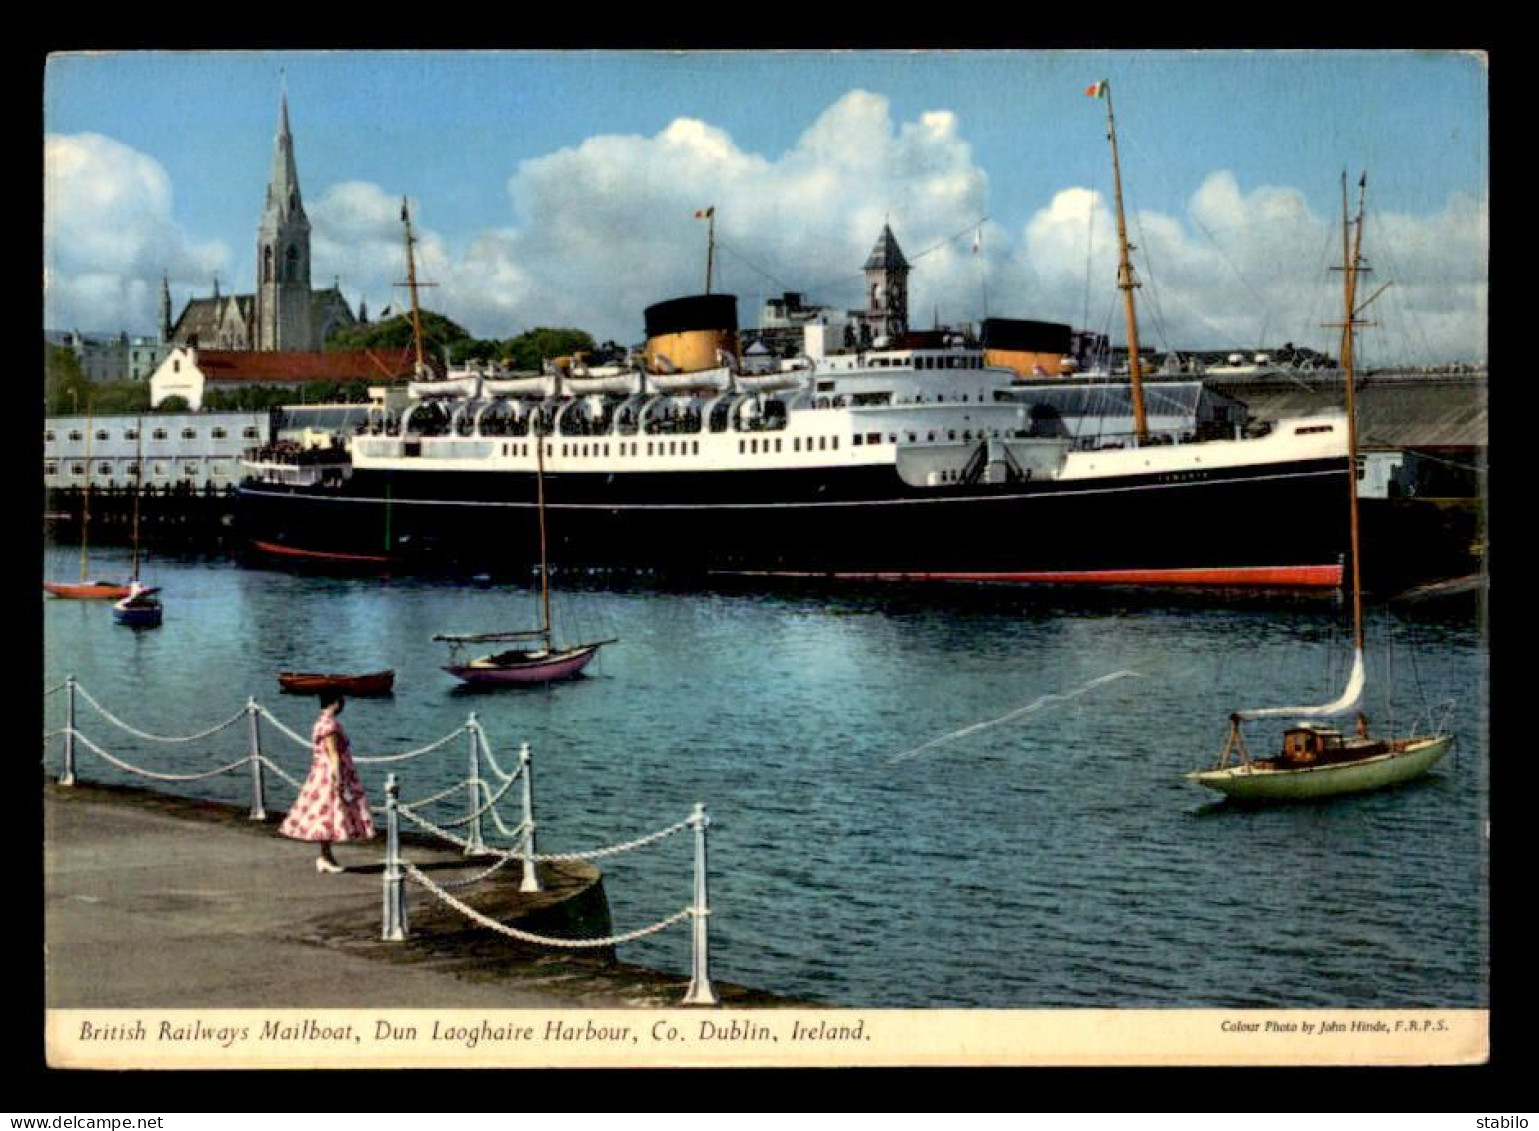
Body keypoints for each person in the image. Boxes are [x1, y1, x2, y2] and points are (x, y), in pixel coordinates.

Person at [278, 690, 376, 872]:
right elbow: (333, 754)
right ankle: (325, 856)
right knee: (330, 813)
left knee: (327, 814)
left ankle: (326, 856)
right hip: (330, 773)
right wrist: (338, 778)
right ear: (337, 703)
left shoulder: (319, 723)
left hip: (321, 771)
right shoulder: (330, 725)